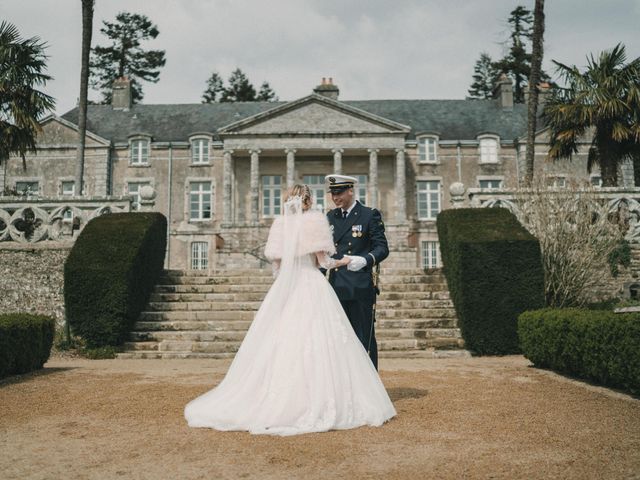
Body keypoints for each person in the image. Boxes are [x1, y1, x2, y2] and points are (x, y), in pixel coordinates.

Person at [184, 184, 396, 436]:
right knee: (322, 341)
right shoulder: (315, 222)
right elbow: (324, 262)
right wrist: (346, 261)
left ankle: (276, 395)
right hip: (312, 284)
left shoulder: (280, 225)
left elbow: (277, 266)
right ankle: (329, 393)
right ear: (308, 200)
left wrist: (287, 279)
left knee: (283, 340)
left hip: (287, 288)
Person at [324, 174, 389, 370]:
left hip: (360, 286)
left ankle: (370, 388)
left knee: (364, 338)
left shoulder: (369, 215)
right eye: (333, 194)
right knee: (340, 339)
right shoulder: (330, 217)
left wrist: (363, 260)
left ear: (350, 191)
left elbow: (382, 248)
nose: (336, 198)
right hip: (336, 286)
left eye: (339, 193)